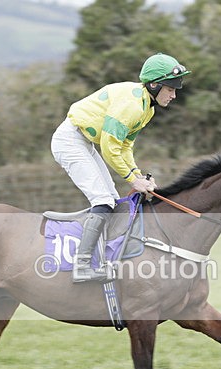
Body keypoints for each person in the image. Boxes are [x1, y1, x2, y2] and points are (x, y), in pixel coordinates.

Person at [51, 53, 190, 282]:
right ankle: (82, 265)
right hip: (70, 141)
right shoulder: (132, 105)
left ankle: (103, 258)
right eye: (170, 89)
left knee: (113, 202)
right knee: (102, 201)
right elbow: (109, 147)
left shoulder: (147, 108)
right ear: (154, 85)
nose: (174, 95)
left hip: (84, 142)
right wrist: (132, 180)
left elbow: (125, 147)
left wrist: (138, 176)